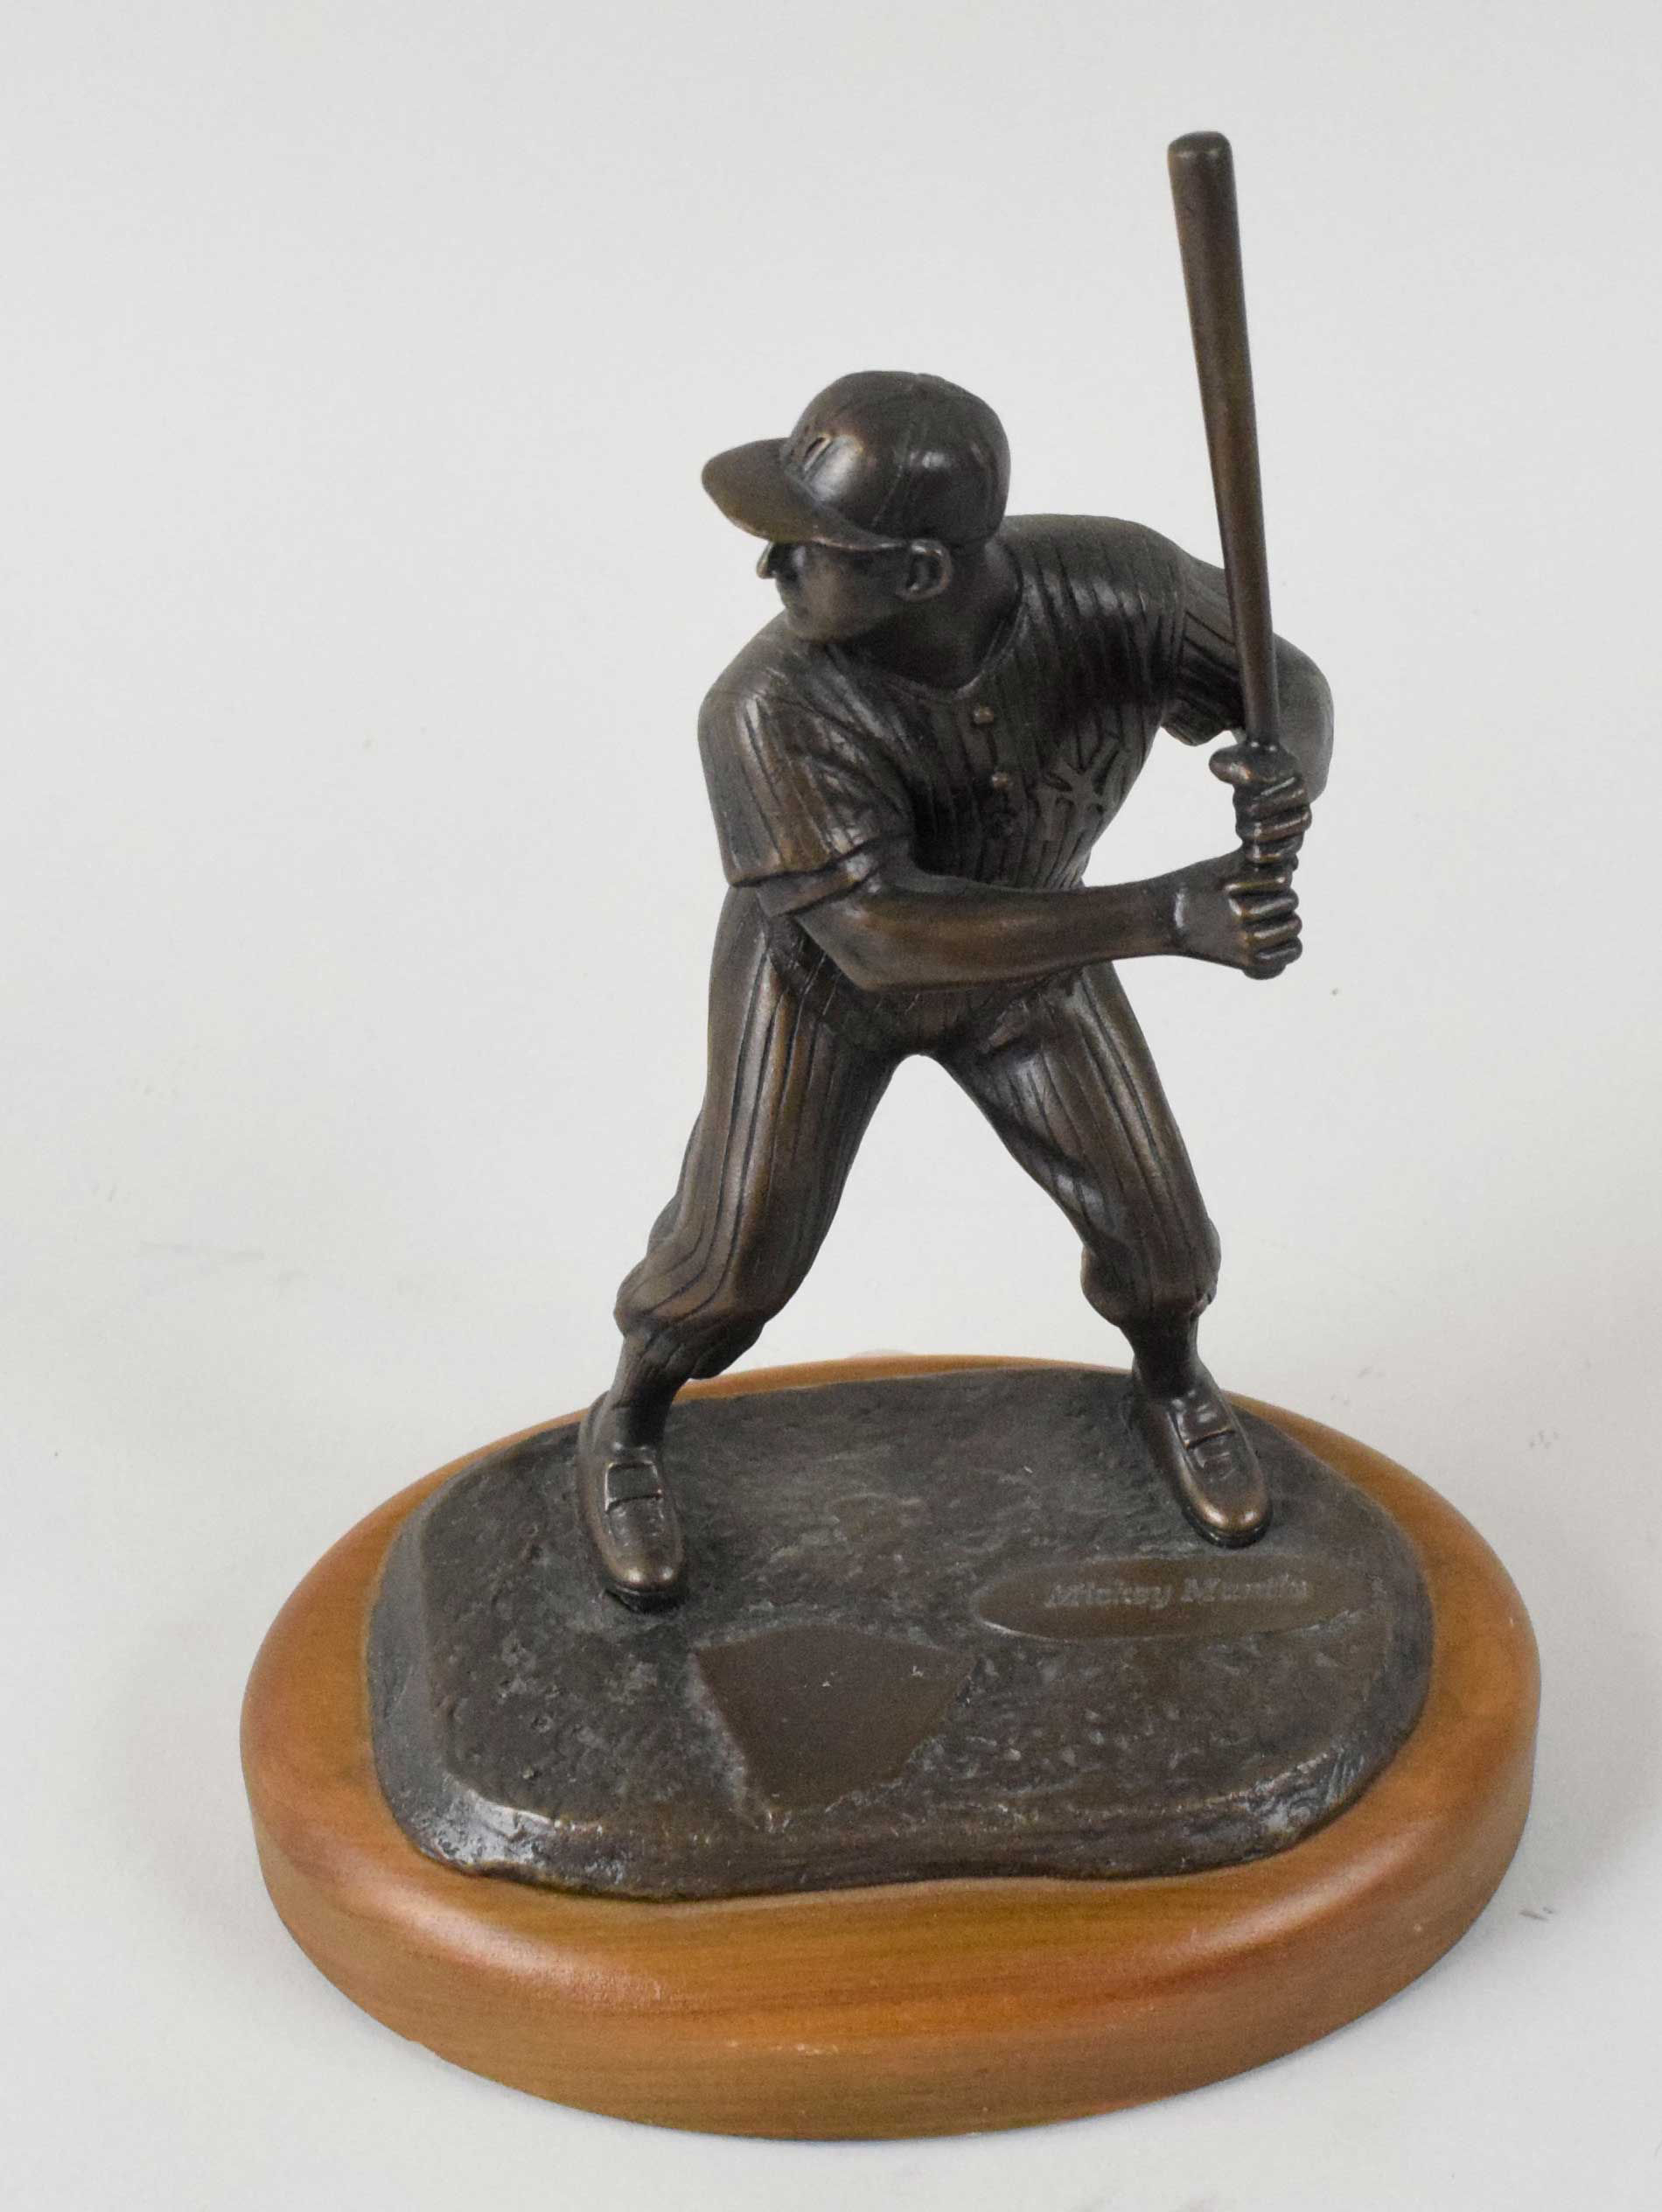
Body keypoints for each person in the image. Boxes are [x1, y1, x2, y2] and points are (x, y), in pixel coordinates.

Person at [576, 369, 1331, 1608]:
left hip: (1032, 962)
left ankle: (1172, 1384)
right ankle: (628, 1423)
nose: (771, 567)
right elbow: (879, 936)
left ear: (921, 571)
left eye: (808, 546)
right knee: (735, 1261)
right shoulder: (765, 708)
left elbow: (1282, 680)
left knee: (1160, 1234)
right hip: (820, 983)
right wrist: (1163, 916)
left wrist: (1286, 765)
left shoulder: (1120, 585)